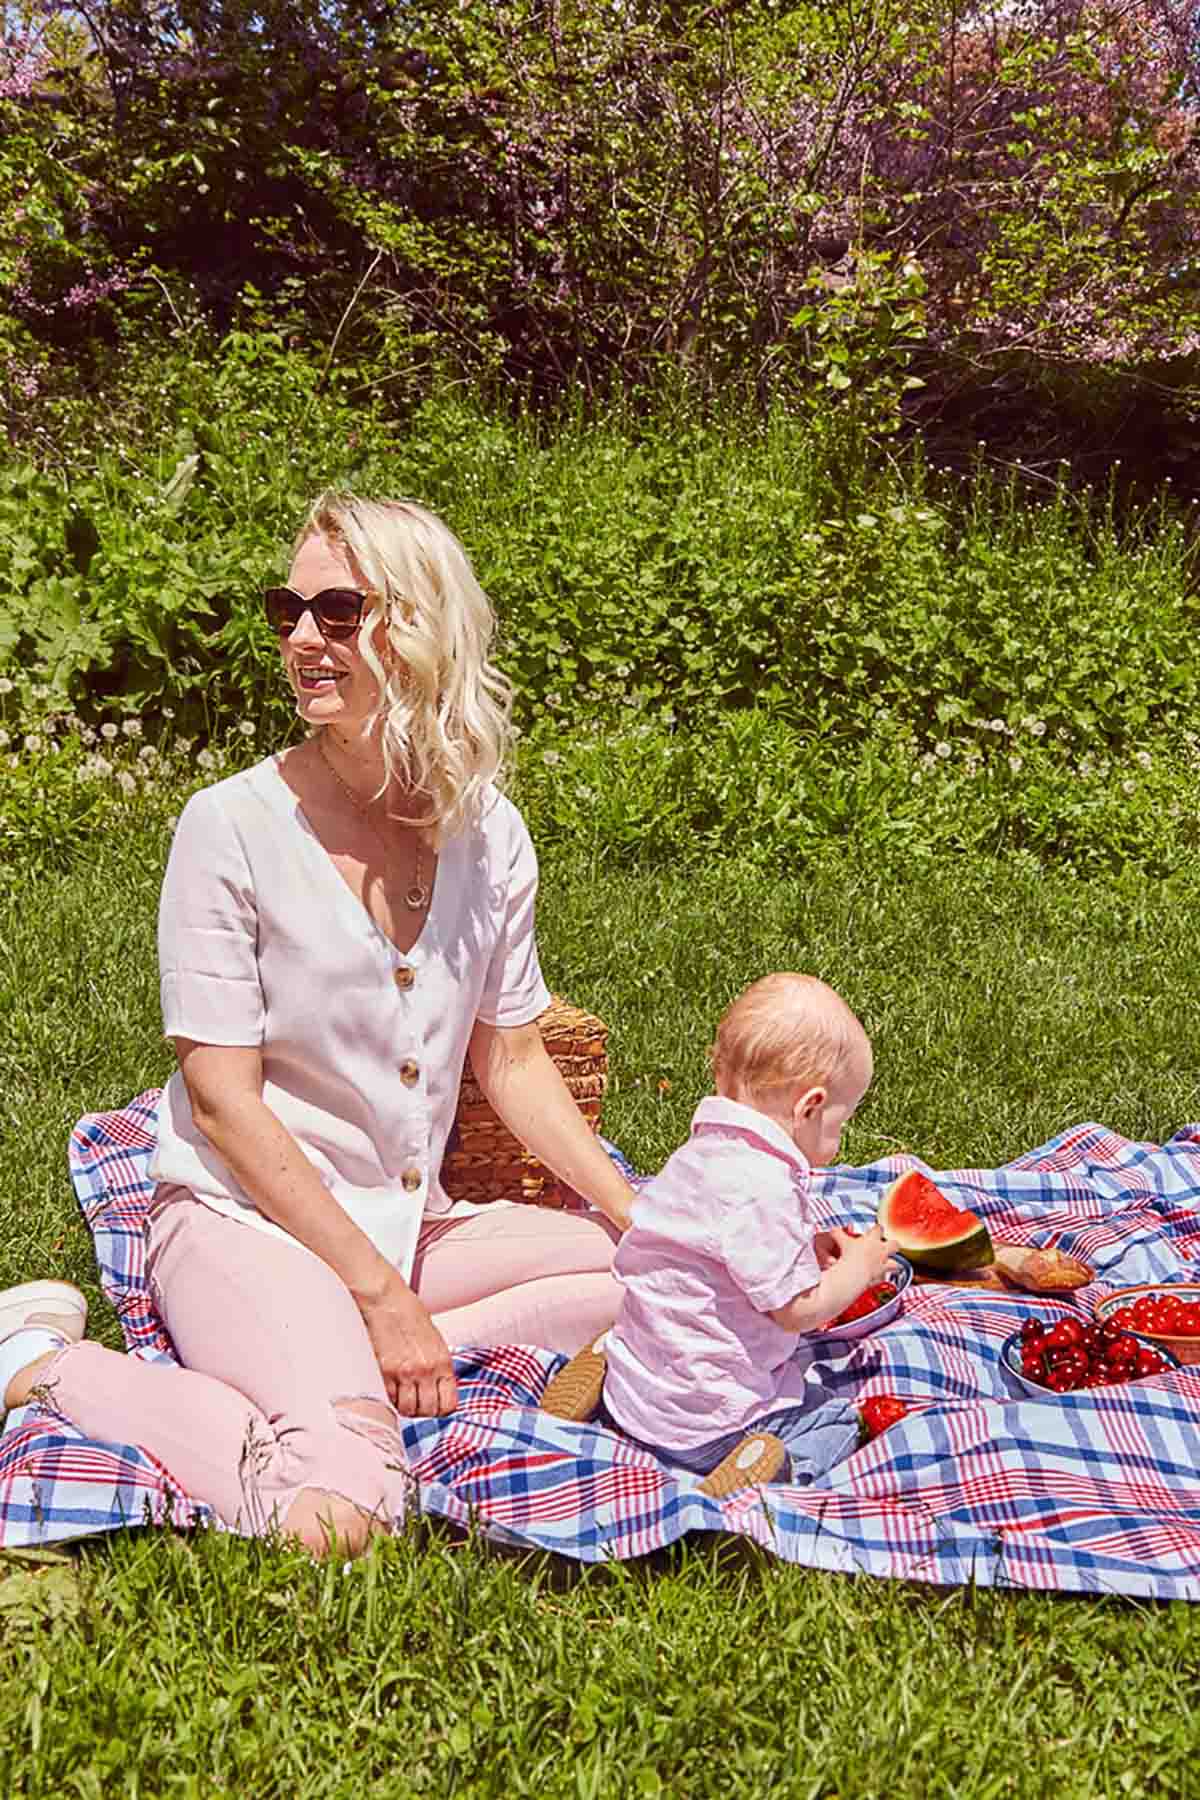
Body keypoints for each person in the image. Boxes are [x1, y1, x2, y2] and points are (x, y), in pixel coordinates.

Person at [0, 493, 635, 1555]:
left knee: (646, 1277)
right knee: (341, 1514)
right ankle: (35, 1363)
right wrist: (381, 1299)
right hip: (244, 1217)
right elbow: (223, 1105)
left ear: (422, 623)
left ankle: (352, 1355)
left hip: (406, 1218)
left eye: (338, 612)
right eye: (287, 610)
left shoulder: (488, 830)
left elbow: (514, 1056)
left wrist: (637, 1212)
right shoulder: (230, 827)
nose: (300, 638)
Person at [541, 973, 893, 1497]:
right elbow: (796, 1310)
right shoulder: (763, 1186)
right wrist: (857, 1268)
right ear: (809, 1107)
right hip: (709, 1425)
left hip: (640, 1396)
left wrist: (805, 1247)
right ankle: (766, 1468)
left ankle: (602, 1379)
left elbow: (718, 1250)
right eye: (841, 1122)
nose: (838, 1143)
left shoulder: (698, 1156)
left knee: (652, 1337)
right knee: (835, 1421)